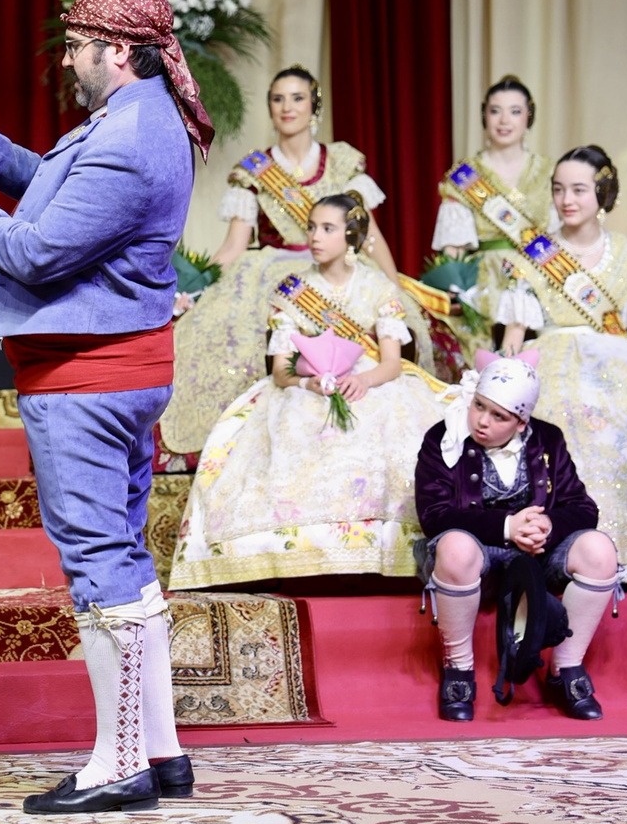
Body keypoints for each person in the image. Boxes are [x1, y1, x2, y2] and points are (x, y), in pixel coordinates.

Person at [0, 0, 203, 815]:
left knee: (97, 563)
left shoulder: (131, 133)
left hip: (88, 375)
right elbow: (63, 188)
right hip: (120, 366)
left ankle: (119, 765)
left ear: (117, 51)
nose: (69, 62)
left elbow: (38, 251)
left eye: (78, 47)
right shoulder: (143, 115)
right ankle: (160, 749)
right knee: (124, 557)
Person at [171, 193, 447, 586]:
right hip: (308, 384)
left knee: (383, 426)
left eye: (327, 228)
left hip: (370, 380)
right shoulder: (292, 290)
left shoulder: (377, 288)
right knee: (292, 425)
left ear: (350, 236)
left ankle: (379, 549)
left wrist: (362, 380)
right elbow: (281, 370)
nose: (315, 237)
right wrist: (307, 383)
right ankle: (293, 555)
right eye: (312, 227)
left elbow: (391, 363)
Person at [159, 66, 427, 455]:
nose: (287, 107)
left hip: (341, 270)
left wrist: (395, 284)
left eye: (297, 98)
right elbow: (233, 247)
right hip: (272, 274)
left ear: (314, 106)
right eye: (278, 99)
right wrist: (195, 289)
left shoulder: (342, 162)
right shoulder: (254, 171)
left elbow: (368, 238)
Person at [490, 146, 627, 578]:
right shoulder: (533, 254)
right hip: (552, 358)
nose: (566, 200)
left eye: (578, 190)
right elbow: (515, 335)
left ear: (602, 193)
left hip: (618, 360)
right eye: (558, 190)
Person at [414, 357, 620, 721]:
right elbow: (433, 514)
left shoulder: (547, 438)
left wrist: (546, 526)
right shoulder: (442, 438)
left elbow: (583, 508)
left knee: (599, 550)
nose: (482, 421)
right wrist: (508, 527)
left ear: (521, 423)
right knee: (455, 547)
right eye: (479, 406)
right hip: (476, 557)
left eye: (499, 416)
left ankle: (566, 669)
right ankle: (458, 671)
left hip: (536, 557)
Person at [427, 76, 552, 361]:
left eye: (515, 111)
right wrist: (455, 287)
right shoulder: (465, 175)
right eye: (496, 111)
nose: (504, 120)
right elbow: (454, 247)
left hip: (541, 271)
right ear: (484, 115)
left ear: (528, 116)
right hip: (484, 279)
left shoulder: (548, 171)